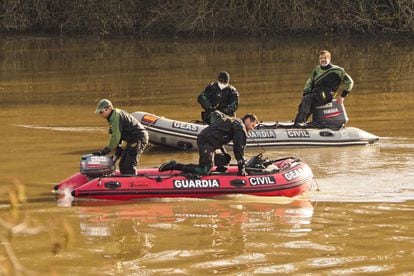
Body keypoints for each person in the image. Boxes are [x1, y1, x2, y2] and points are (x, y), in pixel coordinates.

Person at [159, 113, 259, 176]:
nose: (252, 128)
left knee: (225, 159)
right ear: (247, 120)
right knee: (204, 170)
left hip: (213, 142)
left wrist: (224, 155)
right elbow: (238, 149)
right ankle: (175, 165)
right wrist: (242, 168)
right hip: (207, 142)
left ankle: (217, 171)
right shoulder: (240, 127)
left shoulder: (235, 121)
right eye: (252, 125)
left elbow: (221, 136)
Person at [293, 50, 354, 126]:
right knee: (307, 100)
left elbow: (350, 82)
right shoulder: (317, 69)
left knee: (308, 99)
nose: (323, 60)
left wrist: (342, 96)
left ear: (329, 58)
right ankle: (301, 121)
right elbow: (310, 82)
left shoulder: (338, 70)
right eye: (321, 58)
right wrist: (306, 92)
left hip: (327, 95)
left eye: (325, 58)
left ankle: (299, 122)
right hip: (316, 93)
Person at [93, 99, 149, 175]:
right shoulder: (112, 117)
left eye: (101, 112)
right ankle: (127, 179)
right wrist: (118, 148)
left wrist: (105, 151)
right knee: (122, 165)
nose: (100, 114)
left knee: (128, 166)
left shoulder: (116, 117)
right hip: (132, 140)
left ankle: (132, 181)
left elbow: (115, 137)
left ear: (109, 108)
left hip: (138, 138)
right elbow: (118, 134)